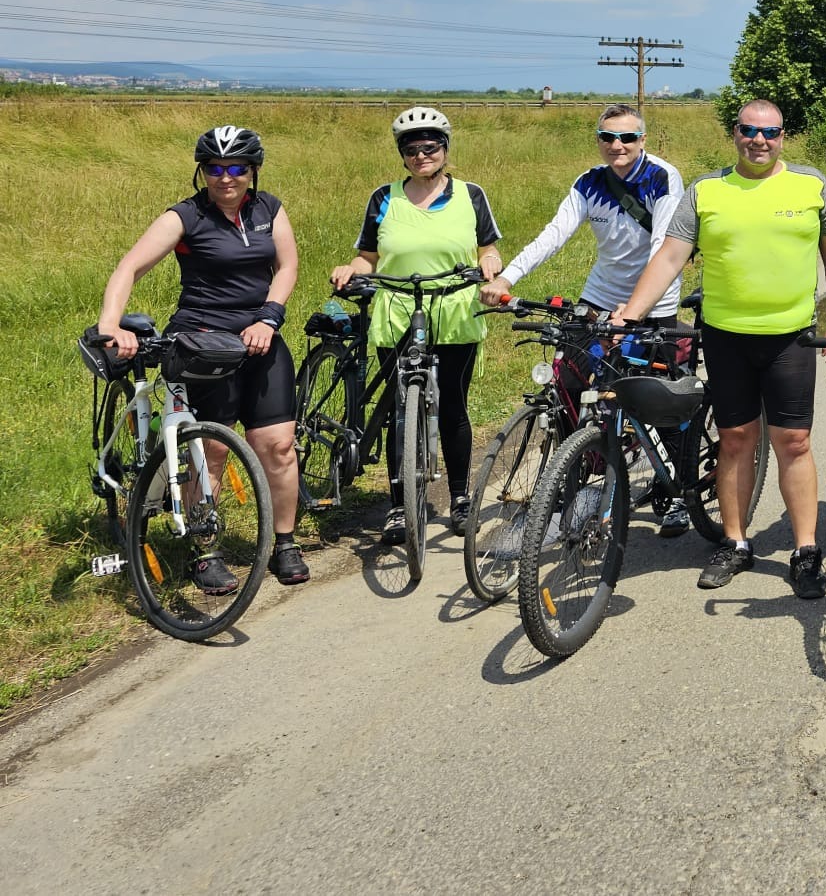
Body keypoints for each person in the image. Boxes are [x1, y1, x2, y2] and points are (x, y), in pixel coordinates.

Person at [615, 99, 826, 600]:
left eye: (770, 132)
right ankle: (736, 542)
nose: (759, 140)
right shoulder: (707, 190)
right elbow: (672, 254)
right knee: (735, 440)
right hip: (726, 336)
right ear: (735, 134)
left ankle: (806, 551)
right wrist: (631, 311)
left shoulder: (811, 185)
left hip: (790, 336)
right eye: (749, 131)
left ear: (784, 136)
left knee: (795, 444)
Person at [98, 126, 309, 588]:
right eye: (214, 169)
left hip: (260, 338)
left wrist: (269, 318)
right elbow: (129, 266)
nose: (226, 178)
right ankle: (204, 550)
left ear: (252, 172)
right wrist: (110, 324)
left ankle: (285, 544)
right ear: (202, 172)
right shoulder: (186, 217)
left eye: (236, 168)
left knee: (277, 444)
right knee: (209, 448)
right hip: (202, 342)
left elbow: (287, 265)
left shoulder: (268, 209)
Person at [481, 103, 690, 530]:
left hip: (653, 304)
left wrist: (632, 311)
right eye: (608, 137)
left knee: (663, 404)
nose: (618, 145)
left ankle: (676, 492)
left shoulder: (663, 178)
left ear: (643, 140)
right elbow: (553, 236)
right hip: (600, 298)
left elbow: (663, 250)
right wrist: (506, 278)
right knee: (570, 384)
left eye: (628, 137)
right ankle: (573, 472)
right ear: (597, 140)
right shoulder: (589, 183)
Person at [330, 107, 503, 545]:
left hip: (454, 309)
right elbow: (367, 255)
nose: (421, 155)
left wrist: (489, 265)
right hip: (397, 309)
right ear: (402, 155)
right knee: (398, 410)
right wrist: (350, 270)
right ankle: (398, 506)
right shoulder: (383, 197)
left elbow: (488, 248)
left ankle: (462, 497)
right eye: (412, 150)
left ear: (445, 150)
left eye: (431, 147)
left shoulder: (471, 194)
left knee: (453, 407)